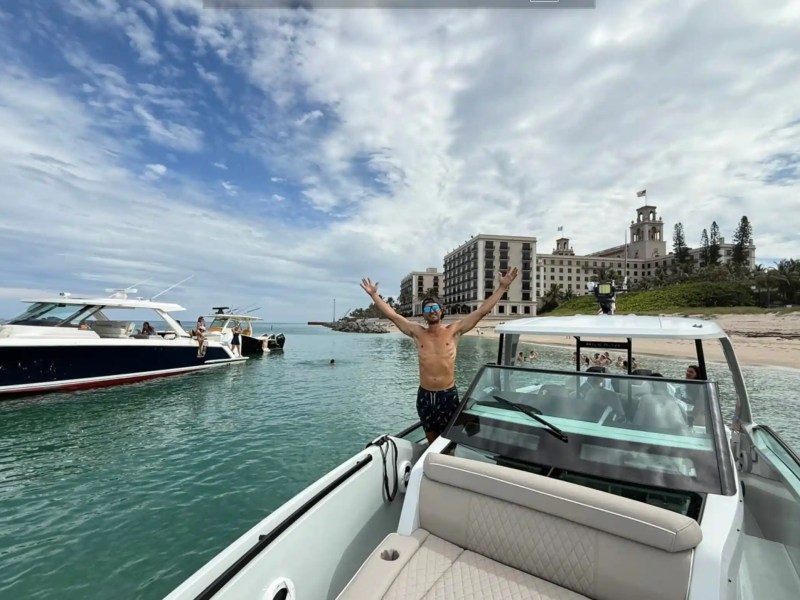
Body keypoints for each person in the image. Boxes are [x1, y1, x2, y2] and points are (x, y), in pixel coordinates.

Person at [360, 267, 519, 444]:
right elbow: (393, 316)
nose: (432, 310)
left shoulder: (454, 331)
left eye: (435, 307)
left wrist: (503, 287)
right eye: (428, 308)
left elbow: (481, 311)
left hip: (447, 395)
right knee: (430, 437)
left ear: (441, 311)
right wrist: (374, 295)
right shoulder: (417, 332)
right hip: (424, 396)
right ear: (423, 314)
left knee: (448, 439)